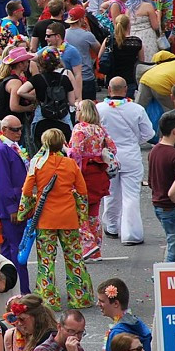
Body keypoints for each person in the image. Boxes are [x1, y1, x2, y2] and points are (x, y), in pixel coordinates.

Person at [17, 129, 93, 309]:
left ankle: (49, 300)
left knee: (46, 261)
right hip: (68, 219)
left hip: (45, 220)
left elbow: (27, 191)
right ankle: (80, 297)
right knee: (74, 258)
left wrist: (24, 211)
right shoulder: (70, 164)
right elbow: (82, 192)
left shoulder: (37, 163)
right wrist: (81, 216)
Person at [96, 77, 154, 245]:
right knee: (131, 195)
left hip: (108, 156)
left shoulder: (100, 109)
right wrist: (134, 140)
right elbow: (149, 134)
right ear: (125, 89)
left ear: (109, 89)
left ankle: (112, 226)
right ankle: (131, 233)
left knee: (111, 192)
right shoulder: (137, 109)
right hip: (131, 155)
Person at [68, 100, 118, 263]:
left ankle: (88, 245)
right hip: (99, 173)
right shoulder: (100, 130)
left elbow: (75, 153)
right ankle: (97, 249)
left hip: (84, 174)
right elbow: (113, 149)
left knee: (78, 211)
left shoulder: (79, 128)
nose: (76, 112)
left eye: (77, 109)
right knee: (93, 214)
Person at [0, 115, 31, 293]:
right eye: (15, 130)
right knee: (16, 251)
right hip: (10, 209)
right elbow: (3, 184)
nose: (19, 133)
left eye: (20, 129)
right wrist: (13, 208)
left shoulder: (10, 147)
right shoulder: (0, 151)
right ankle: (22, 290)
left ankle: (8, 287)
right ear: (3, 130)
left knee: (8, 251)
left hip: (14, 206)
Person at [95, 278, 153, 351]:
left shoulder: (118, 333)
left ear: (116, 303)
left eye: (102, 301)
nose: (98, 304)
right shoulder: (135, 323)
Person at [147, 111, 175, 263]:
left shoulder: (154, 151)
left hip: (158, 204)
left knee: (173, 242)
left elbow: (151, 181)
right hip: (171, 206)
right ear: (174, 131)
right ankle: (164, 277)